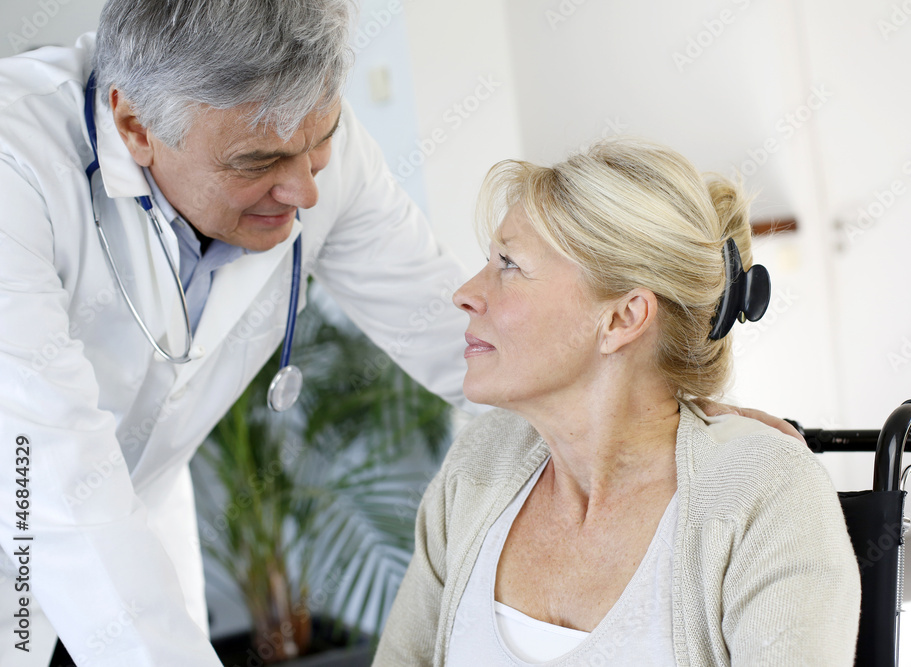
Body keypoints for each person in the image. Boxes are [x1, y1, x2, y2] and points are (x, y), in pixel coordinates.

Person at [0, 1, 811, 665]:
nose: (307, 188)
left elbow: (454, 334)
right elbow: (56, 483)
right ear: (134, 125)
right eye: (259, 162)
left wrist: (665, 415)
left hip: (130, 508)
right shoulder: (18, 172)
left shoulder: (755, 499)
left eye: (320, 141)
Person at [375, 138, 862, 666]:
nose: (465, 292)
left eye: (509, 264)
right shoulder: (479, 466)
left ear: (623, 318)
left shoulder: (764, 495)